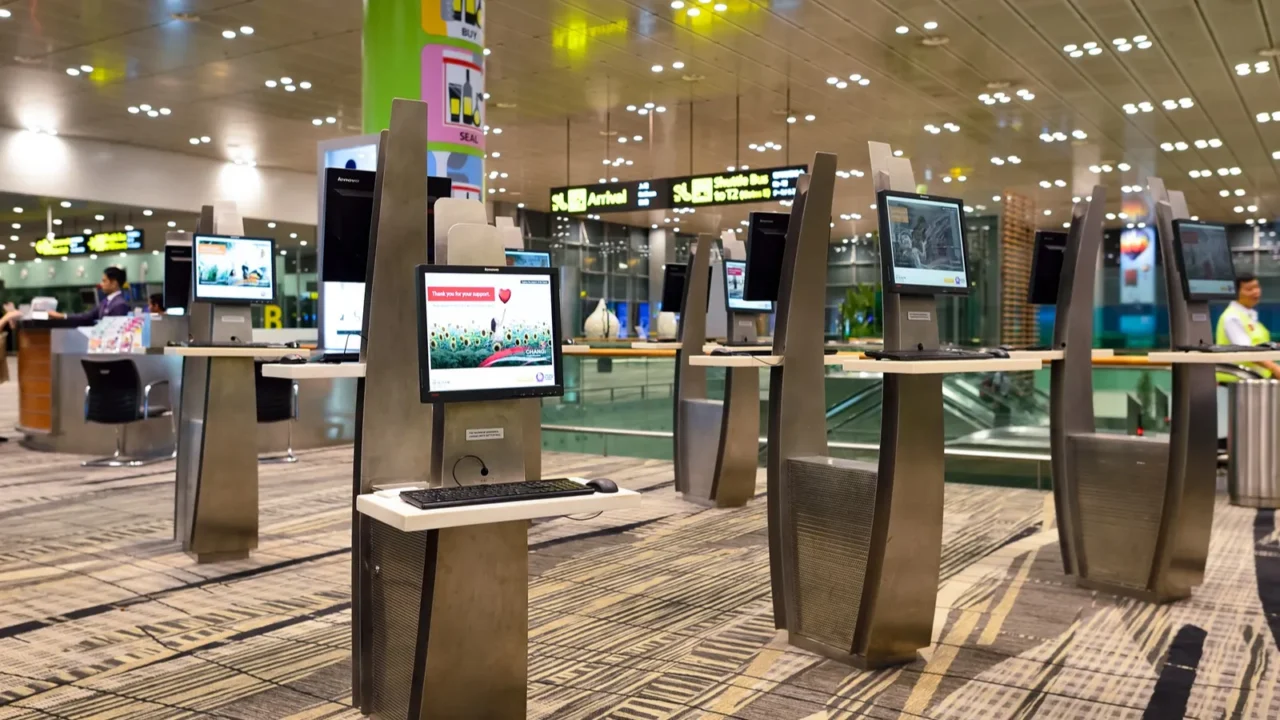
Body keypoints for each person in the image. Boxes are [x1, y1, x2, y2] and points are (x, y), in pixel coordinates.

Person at [1216, 273, 1280, 380]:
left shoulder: (1249, 317)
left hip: (1253, 381)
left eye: (1257, 287)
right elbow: (1246, 350)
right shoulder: (1232, 317)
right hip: (1234, 384)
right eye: (1249, 289)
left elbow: (1259, 346)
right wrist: (1275, 368)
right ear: (1236, 293)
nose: (1256, 292)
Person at [48, 267, 131, 323]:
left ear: (114, 283)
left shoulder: (120, 304)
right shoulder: (106, 301)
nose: (101, 284)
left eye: (104, 281)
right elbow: (87, 316)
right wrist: (62, 316)